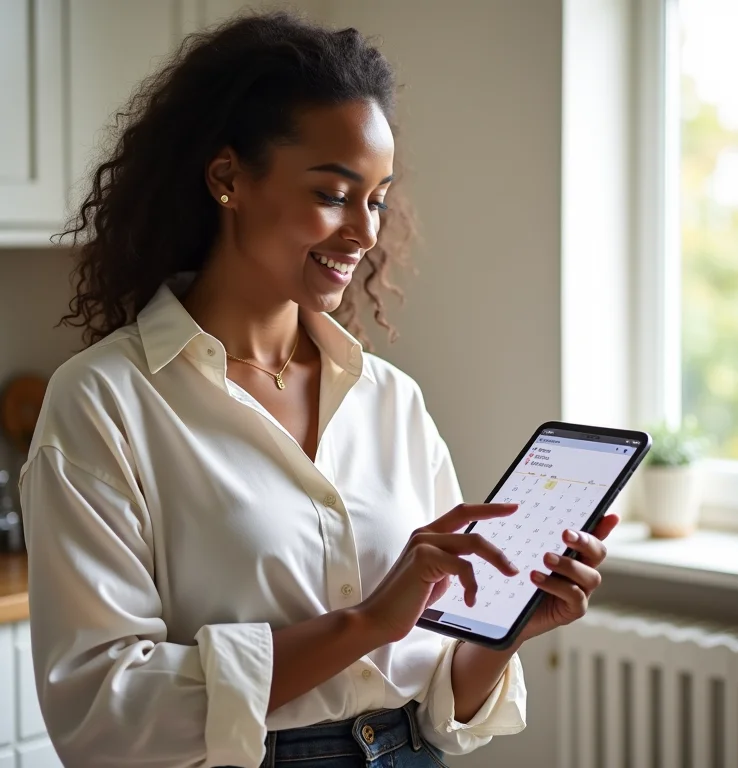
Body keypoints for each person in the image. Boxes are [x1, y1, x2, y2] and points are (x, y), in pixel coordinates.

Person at [20, 11, 616, 768]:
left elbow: (437, 696)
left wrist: (509, 629)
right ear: (228, 178)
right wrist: (365, 623)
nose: (365, 233)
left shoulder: (389, 400)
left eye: (377, 199)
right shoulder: (104, 403)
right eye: (335, 194)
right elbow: (103, 711)